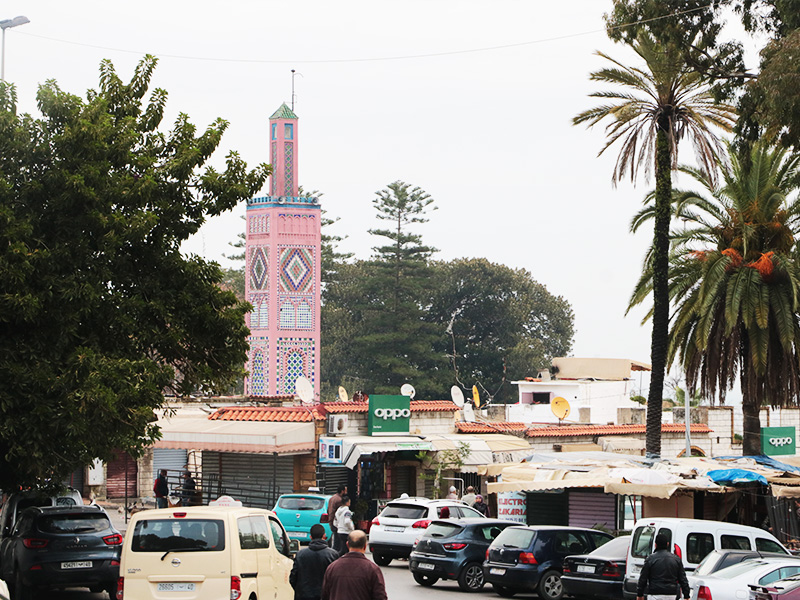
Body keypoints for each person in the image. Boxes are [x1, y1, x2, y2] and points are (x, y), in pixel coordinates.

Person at [321, 530, 388, 600]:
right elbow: (380, 596)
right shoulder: (372, 569)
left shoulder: (333, 567)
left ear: (347, 544)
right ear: (365, 546)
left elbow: (325, 594)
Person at [290, 523, 339, 600]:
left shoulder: (300, 554)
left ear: (310, 537)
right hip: (325, 596)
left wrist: (299, 591)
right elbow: (336, 579)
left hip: (304, 595)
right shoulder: (333, 555)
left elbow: (293, 577)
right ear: (324, 536)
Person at [637, 532, 690, 600]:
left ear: (655, 545)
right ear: (667, 544)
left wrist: (640, 594)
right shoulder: (676, 559)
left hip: (654, 594)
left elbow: (643, 579)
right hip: (671, 594)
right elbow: (683, 579)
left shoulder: (650, 559)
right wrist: (686, 595)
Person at [327, 484, 347, 551]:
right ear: (342, 491)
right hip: (335, 522)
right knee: (337, 542)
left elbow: (328, 509)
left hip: (330, 520)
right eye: (345, 491)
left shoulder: (332, 498)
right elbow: (339, 513)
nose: (346, 492)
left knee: (335, 539)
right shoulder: (339, 500)